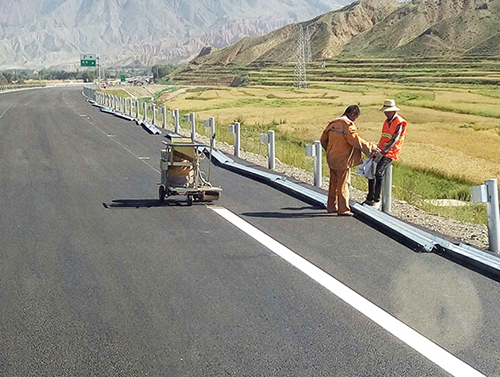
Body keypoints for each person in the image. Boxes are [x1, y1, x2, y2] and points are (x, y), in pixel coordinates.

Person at [320, 105, 375, 216]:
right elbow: (355, 140)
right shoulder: (347, 125)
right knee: (343, 184)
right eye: (355, 117)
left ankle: (331, 206)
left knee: (333, 183)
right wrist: (370, 148)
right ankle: (343, 209)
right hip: (343, 159)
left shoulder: (332, 124)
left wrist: (329, 150)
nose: (355, 120)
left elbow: (323, 140)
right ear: (353, 114)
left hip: (331, 158)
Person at [364, 99, 408, 209]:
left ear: (393, 111)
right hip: (381, 150)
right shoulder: (386, 121)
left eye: (387, 111)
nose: (385, 113)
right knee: (370, 170)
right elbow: (384, 137)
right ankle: (370, 197)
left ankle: (377, 200)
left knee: (379, 172)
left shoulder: (400, 122)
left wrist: (384, 150)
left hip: (391, 152)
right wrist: (377, 149)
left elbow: (394, 139)